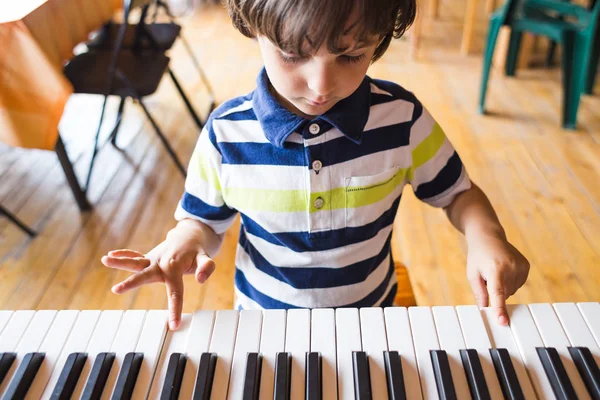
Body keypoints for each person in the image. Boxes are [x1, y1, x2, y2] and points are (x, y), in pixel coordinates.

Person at [101, 0, 530, 331]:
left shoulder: (402, 119)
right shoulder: (226, 133)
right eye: (291, 54)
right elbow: (204, 222)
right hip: (264, 324)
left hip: (371, 319)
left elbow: (458, 193)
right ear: (253, 28)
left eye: (351, 57)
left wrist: (486, 238)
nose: (322, 86)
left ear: (378, 42)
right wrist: (184, 243)